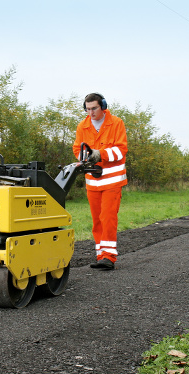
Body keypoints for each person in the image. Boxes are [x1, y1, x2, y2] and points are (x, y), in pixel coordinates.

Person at [73, 93, 128, 270]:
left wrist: (100, 154)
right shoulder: (83, 126)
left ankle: (109, 257)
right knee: (97, 220)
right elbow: (78, 148)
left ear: (103, 106)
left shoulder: (116, 123)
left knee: (108, 218)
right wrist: (84, 157)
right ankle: (100, 255)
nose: (91, 112)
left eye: (94, 108)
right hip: (93, 182)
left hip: (112, 181)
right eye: (88, 109)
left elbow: (121, 150)